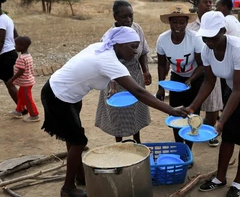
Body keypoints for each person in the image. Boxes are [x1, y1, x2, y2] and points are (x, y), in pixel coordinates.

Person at [40, 26, 188, 197]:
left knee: (74, 138)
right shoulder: (107, 59)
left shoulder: (102, 48)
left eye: (137, 46)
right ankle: (67, 189)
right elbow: (139, 92)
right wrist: (170, 110)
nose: (135, 51)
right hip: (58, 96)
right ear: (118, 43)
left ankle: (79, 176)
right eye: (132, 46)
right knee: (79, 141)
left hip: (66, 93)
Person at [187, 11, 240, 197]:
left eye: (213, 37)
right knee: (229, 136)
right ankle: (220, 178)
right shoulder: (207, 49)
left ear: (223, 31)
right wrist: (192, 107)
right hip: (234, 91)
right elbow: (209, 81)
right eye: (205, 37)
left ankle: (238, 182)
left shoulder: (239, 47)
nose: (209, 42)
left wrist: (221, 120)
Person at [95, 0, 151, 143]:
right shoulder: (108, 37)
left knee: (135, 109)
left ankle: (137, 142)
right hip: (114, 79)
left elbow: (143, 51)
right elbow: (107, 63)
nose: (128, 20)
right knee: (118, 113)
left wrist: (145, 71)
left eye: (131, 16)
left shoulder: (137, 29)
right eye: (123, 17)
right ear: (115, 17)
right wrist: (112, 85)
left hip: (134, 74)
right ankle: (119, 144)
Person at [155, 4, 203, 152]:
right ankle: (179, 147)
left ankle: (188, 149)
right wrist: (161, 87)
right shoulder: (162, 40)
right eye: (174, 22)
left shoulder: (195, 38)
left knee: (192, 116)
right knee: (175, 115)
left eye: (181, 22)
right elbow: (162, 65)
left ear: (186, 23)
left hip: (195, 78)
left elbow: (202, 66)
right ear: (169, 22)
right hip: (176, 79)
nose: (178, 25)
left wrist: (190, 80)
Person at [187, 0, 223, 147]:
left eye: (210, 2)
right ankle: (195, 130)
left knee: (212, 105)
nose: (209, 4)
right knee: (195, 102)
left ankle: (210, 133)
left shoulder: (218, 24)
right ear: (197, 5)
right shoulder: (191, 28)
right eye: (205, 2)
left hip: (212, 71)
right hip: (196, 70)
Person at [0, 0, 28, 115]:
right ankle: (23, 108)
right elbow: (16, 36)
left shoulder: (1, 20)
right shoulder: (7, 18)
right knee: (9, 83)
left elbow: (0, 42)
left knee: (9, 83)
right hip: (10, 54)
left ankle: (23, 108)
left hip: (4, 56)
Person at [215, 0, 240, 106]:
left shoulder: (225, 21)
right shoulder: (236, 21)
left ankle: (219, 109)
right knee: (228, 85)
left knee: (221, 86)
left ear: (224, 7)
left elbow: (219, 36)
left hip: (224, 56)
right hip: (233, 56)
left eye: (218, 6)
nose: (216, 9)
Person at [8, 36, 39, 122]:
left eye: (16, 45)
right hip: (27, 81)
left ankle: (34, 115)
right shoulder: (28, 56)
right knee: (21, 96)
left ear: (22, 46)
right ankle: (19, 111)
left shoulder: (21, 58)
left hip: (26, 83)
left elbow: (21, 71)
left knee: (27, 99)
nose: (15, 46)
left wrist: (11, 80)